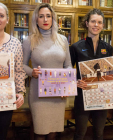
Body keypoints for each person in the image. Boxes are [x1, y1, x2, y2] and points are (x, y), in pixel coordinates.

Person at [70, 8, 113, 140]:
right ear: (87, 23)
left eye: (99, 22)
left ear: (103, 25)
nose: (96, 25)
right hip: (82, 96)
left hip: (102, 97)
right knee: (80, 133)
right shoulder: (75, 47)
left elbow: (110, 71)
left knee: (99, 134)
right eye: (93, 21)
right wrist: (75, 81)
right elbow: (67, 72)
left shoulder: (108, 48)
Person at [23, 3, 72, 140]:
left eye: (48, 16)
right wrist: (31, 72)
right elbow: (21, 65)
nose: (45, 20)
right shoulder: (29, 40)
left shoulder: (62, 40)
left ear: (53, 19)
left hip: (58, 94)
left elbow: (68, 66)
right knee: (40, 131)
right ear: (36, 20)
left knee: (53, 132)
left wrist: (66, 88)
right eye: (41, 16)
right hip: (39, 94)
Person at [0, 2, 26, 140]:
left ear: (7, 19)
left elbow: (19, 71)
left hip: (4, 100)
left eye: (1, 15)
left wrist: (20, 92)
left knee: (0, 135)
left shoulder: (15, 43)